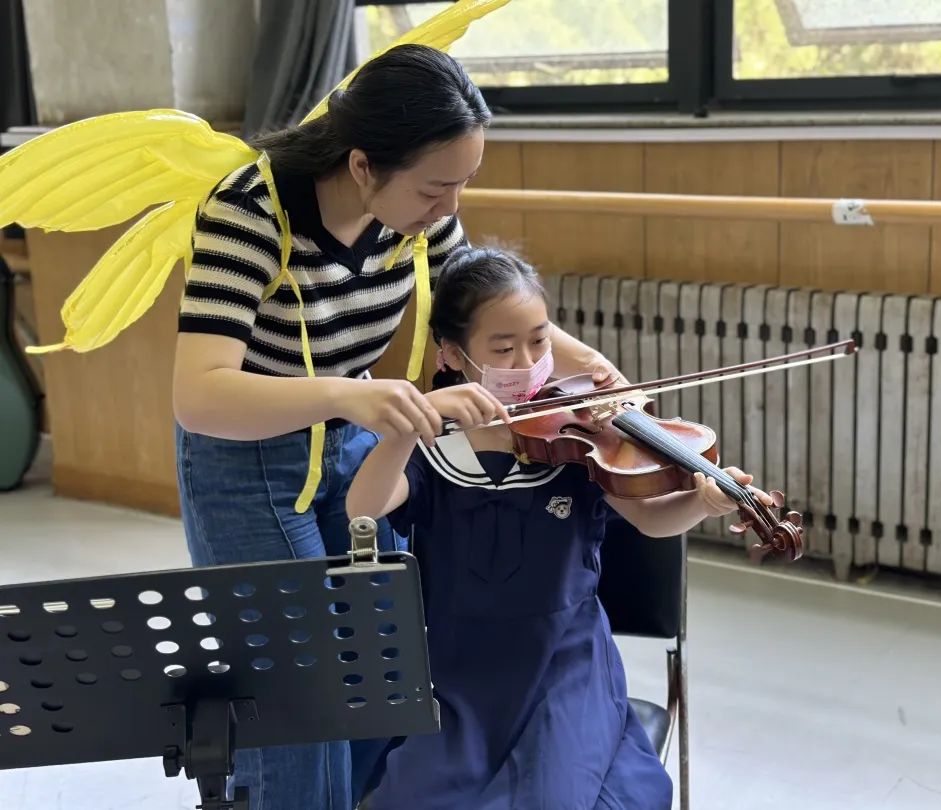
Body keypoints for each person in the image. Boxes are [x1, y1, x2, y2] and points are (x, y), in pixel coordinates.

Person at [172, 46, 621, 810]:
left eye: (464, 183)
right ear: (362, 166)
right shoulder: (249, 212)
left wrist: (597, 373)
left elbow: (486, 304)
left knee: (382, 668)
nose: (450, 206)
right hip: (247, 460)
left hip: (354, 436)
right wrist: (348, 397)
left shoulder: (414, 215)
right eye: (437, 187)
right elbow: (199, 394)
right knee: (299, 697)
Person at [347, 246, 771, 810]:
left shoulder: (576, 436)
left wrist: (701, 501)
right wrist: (413, 422)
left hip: (565, 669)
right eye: (503, 349)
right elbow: (364, 506)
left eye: (540, 342)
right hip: (459, 677)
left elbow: (651, 518)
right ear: (451, 353)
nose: (526, 363)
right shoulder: (431, 449)